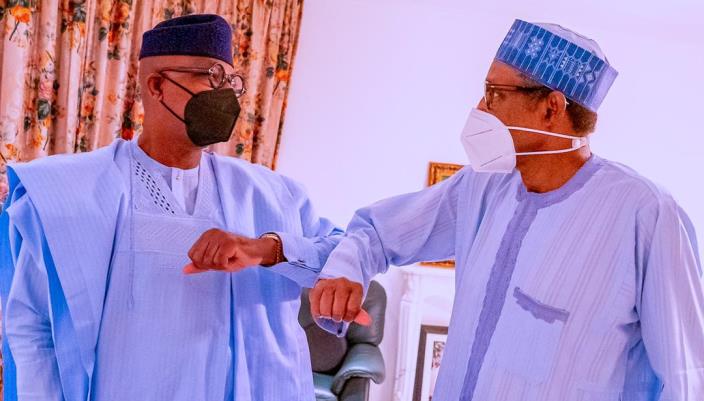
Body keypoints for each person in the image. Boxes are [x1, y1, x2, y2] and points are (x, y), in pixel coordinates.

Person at [310, 19, 704, 400]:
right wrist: (346, 269)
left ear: (551, 108)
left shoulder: (645, 216)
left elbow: (687, 375)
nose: (480, 107)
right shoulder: (482, 186)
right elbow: (378, 233)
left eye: (494, 93)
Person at [0, 14, 342, 401]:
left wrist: (267, 248)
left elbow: (343, 256)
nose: (226, 95)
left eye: (231, 82)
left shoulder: (270, 194)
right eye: (212, 76)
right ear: (157, 85)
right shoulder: (69, 192)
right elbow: (32, 327)